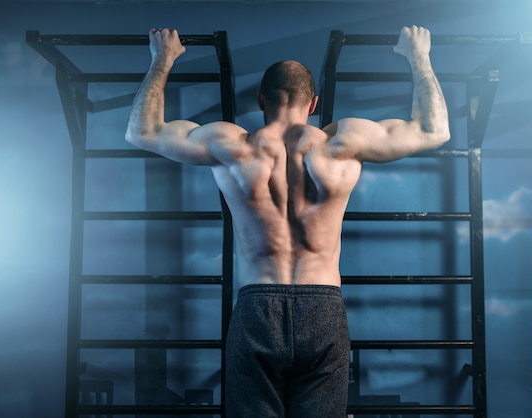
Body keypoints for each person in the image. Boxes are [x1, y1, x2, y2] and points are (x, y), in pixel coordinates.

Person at [126, 25, 450, 418]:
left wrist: (163, 59)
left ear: (261, 99)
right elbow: (434, 130)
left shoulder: (231, 146)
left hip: (256, 305)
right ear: (312, 103)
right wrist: (418, 55)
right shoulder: (342, 145)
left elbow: (142, 131)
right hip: (323, 304)